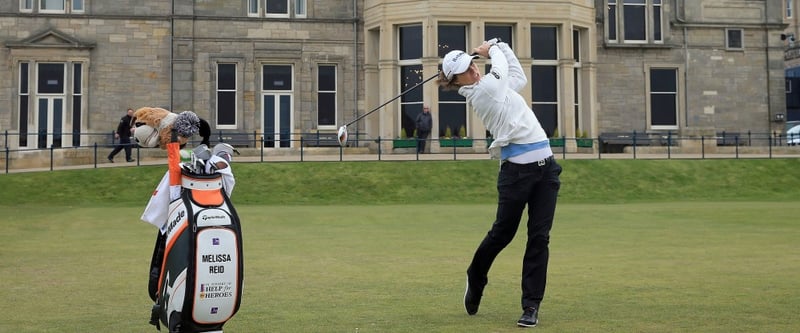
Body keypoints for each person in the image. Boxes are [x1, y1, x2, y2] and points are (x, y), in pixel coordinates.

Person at [438, 39, 562, 328]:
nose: (473, 71)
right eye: (466, 70)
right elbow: (501, 72)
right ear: (456, 81)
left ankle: (531, 305)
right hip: (516, 175)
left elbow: (518, 75)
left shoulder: (496, 86)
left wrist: (502, 45)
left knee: (539, 237)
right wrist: (490, 50)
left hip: (547, 171)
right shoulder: (481, 93)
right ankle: (476, 275)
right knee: (502, 234)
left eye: (472, 65)